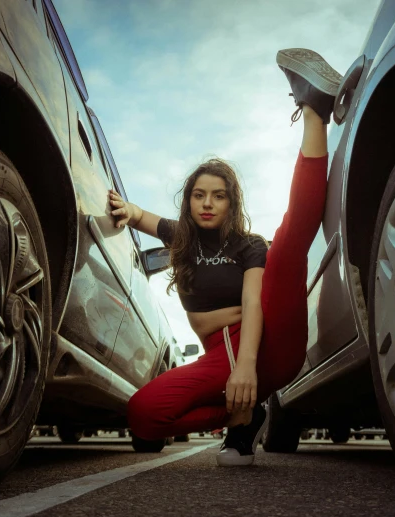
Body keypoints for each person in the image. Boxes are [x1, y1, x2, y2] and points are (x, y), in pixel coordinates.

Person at [109, 48, 343, 466]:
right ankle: (245, 416)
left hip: (268, 343)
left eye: (218, 196)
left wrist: (246, 368)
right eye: (199, 195)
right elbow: (144, 218)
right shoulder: (182, 238)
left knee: (286, 247)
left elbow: (253, 303)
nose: (207, 203)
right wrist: (127, 213)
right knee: (142, 415)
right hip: (219, 355)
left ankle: (314, 110)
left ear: (230, 203)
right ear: (189, 201)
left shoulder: (246, 245)